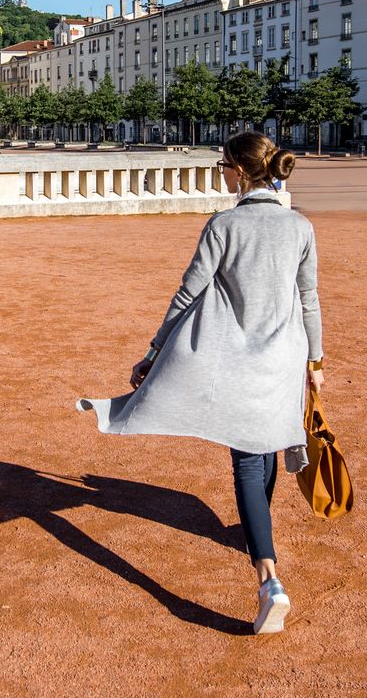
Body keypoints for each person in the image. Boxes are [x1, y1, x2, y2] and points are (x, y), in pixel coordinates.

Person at [78, 131, 322, 634]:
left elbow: (189, 293)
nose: (221, 174)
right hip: (285, 357)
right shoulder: (299, 225)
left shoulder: (224, 225)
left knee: (247, 465)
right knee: (267, 447)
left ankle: (269, 579)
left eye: (221, 166)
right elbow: (310, 298)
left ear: (237, 170)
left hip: (235, 358)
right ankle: (259, 537)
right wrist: (317, 360)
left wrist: (153, 351)